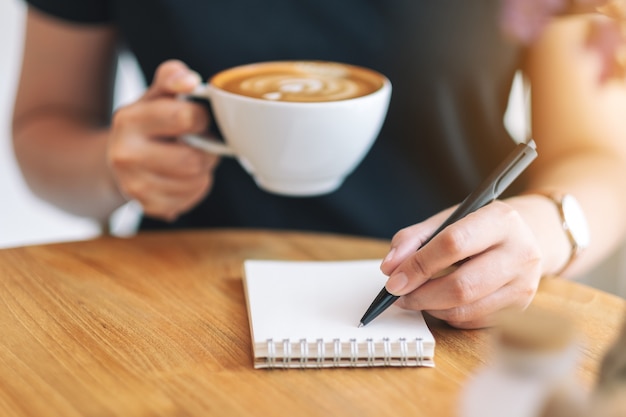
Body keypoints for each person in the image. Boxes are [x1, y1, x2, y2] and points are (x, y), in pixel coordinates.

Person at [12, 0, 626, 329]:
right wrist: (113, 166)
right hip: (176, 305)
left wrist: (544, 231)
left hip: (449, 308)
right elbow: (44, 125)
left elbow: (601, 158)